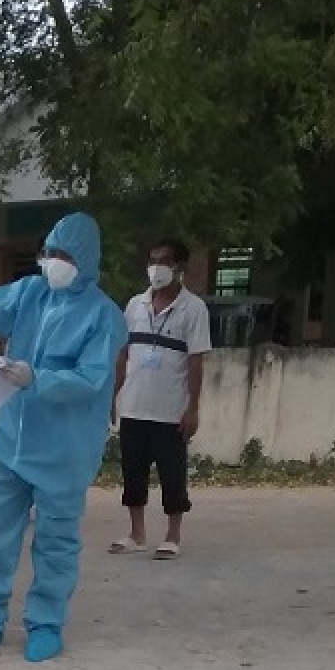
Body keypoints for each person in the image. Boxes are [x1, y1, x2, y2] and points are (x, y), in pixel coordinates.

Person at [0, 212, 126, 663]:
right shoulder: (31, 292)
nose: (51, 261)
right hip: (11, 440)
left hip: (64, 449)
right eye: (49, 251)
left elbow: (92, 378)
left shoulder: (104, 316)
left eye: (62, 254)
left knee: (56, 542)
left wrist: (38, 378)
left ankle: (46, 623)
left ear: (84, 259)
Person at [110, 238, 211, 561]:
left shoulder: (193, 309)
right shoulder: (134, 306)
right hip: (134, 406)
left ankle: (172, 535)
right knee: (133, 474)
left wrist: (192, 408)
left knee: (172, 475)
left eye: (164, 261)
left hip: (170, 411)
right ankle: (136, 533)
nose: (156, 268)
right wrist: (113, 395)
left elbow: (195, 361)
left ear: (179, 267)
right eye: (152, 260)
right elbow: (122, 354)